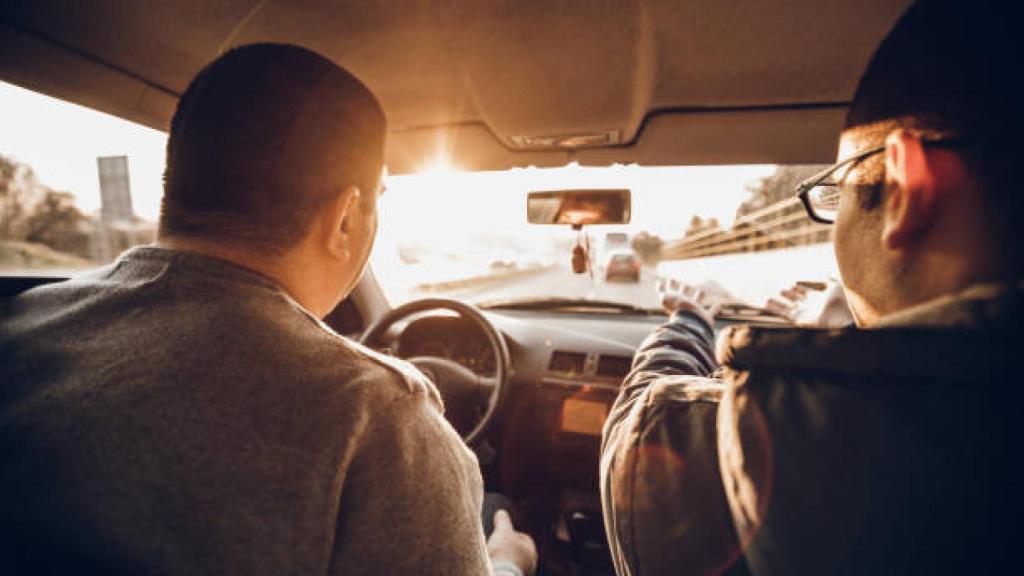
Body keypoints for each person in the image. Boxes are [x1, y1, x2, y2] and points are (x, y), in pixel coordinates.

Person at [0, 43, 535, 575]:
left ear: (176, 185)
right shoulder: (380, 417)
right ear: (347, 217)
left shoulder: (22, 328)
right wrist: (508, 566)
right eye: (380, 195)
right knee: (497, 517)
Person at [601, 1, 1022, 574]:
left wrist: (689, 324)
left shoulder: (789, 441)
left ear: (905, 187)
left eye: (836, 192)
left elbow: (641, 423)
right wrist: (842, 344)